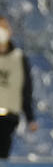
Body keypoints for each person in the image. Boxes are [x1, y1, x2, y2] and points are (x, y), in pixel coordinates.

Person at [0, 14, 35, 158]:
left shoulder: (19, 58)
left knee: (2, 154)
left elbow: (26, 89)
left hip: (9, 117)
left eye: (3, 27)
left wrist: (30, 117)